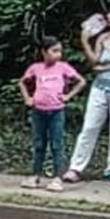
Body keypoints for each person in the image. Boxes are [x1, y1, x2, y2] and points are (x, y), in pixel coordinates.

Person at [62, 0, 110, 184]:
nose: (109, 16)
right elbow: (94, 61)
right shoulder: (103, 38)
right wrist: (84, 40)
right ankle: (76, 167)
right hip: (101, 86)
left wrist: (106, 68)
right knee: (89, 126)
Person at [18, 36, 85, 192]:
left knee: (57, 144)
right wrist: (27, 98)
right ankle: (35, 174)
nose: (58, 54)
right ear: (44, 52)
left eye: (60, 51)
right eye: (54, 51)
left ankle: (57, 177)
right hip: (38, 110)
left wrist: (68, 96)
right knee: (39, 144)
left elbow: (80, 81)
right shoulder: (36, 68)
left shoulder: (63, 67)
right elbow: (22, 82)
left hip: (56, 111)